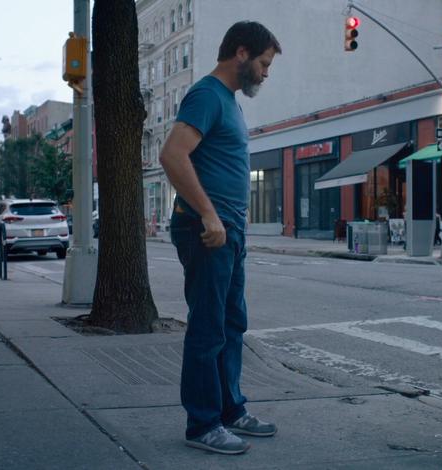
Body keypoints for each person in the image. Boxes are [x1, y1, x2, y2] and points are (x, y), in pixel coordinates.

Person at [160, 21, 281, 455]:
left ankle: (231, 410)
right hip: (205, 229)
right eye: (265, 63)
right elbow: (172, 154)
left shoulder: (228, 102)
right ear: (242, 54)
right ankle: (202, 423)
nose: (266, 74)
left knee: (232, 323)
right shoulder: (207, 95)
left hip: (227, 229)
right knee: (209, 327)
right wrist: (209, 215)